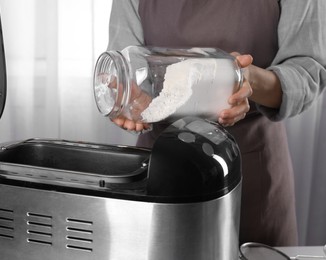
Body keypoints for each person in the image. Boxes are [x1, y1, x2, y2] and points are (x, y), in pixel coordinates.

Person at [106, 0, 326, 246]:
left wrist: (249, 80)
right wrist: (129, 98)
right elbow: (123, 65)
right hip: (160, 166)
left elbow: (307, 70)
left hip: (251, 167)